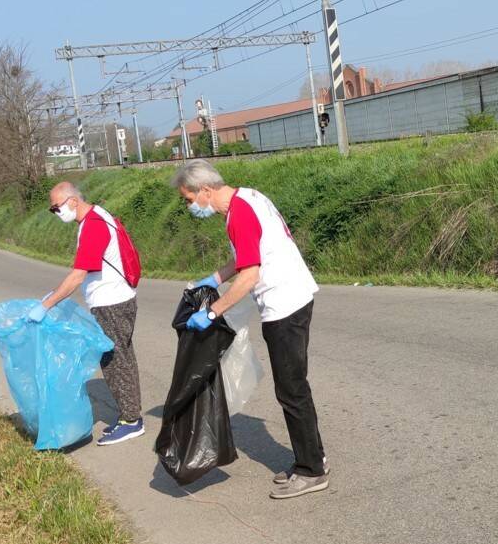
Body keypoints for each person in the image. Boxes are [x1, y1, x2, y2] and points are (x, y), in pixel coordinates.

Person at [171, 159, 329, 500]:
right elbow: (244, 258)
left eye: (188, 199)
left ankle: (311, 471)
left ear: (206, 191)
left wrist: (212, 313)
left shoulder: (239, 214)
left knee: (291, 389)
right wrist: (214, 279)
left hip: (284, 304)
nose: (189, 206)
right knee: (294, 386)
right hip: (294, 295)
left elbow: (250, 275)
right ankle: (313, 457)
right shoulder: (245, 199)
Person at [30, 181, 143, 445]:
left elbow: (78, 276)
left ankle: (131, 421)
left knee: (115, 361)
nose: (56, 213)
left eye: (56, 208)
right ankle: (131, 416)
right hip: (118, 299)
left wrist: (47, 304)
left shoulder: (93, 226)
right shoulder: (96, 216)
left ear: (72, 201)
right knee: (122, 357)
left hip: (112, 303)